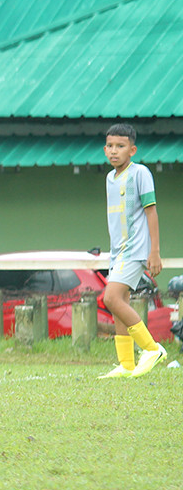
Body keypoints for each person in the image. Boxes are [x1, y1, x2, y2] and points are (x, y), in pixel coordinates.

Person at [97, 124, 166, 379]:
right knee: (119, 303)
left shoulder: (141, 174)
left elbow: (151, 212)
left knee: (110, 298)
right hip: (118, 251)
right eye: (110, 146)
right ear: (105, 149)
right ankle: (126, 364)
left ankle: (152, 348)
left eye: (121, 146)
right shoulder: (109, 178)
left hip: (135, 250)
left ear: (132, 150)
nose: (114, 151)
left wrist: (154, 252)